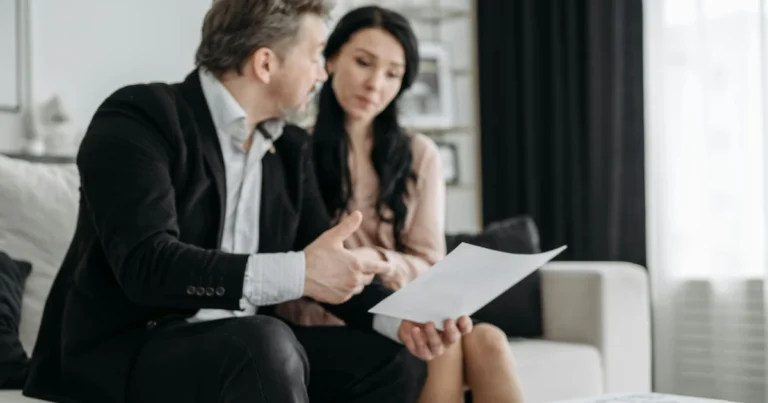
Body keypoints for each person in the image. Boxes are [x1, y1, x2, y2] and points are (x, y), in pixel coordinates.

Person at [21, 1, 475, 403]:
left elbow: (330, 266)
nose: (322, 72)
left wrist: (403, 322)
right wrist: (299, 272)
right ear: (265, 63)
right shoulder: (140, 117)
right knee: (261, 342)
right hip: (129, 352)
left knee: (395, 358)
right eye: (316, 55)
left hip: (249, 351)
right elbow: (148, 266)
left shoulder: (291, 149)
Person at [274, 6, 525, 403]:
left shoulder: (418, 154)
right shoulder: (292, 150)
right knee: (442, 343)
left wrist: (376, 260)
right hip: (324, 320)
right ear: (332, 58)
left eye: (392, 74)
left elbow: (429, 261)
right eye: (363, 63)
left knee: (488, 340)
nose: (375, 83)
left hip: (404, 307)